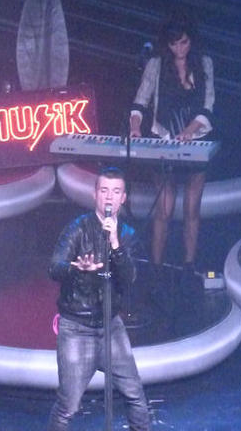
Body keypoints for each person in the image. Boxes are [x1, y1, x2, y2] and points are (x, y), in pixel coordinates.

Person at [47, 166, 150, 431]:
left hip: (110, 326)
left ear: (123, 198)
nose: (109, 197)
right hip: (76, 328)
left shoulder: (127, 235)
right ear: (95, 194)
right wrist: (76, 269)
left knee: (135, 395)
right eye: (104, 190)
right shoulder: (77, 229)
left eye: (115, 192)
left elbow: (129, 278)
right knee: (68, 405)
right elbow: (55, 267)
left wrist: (115, 243)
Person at [129, 12, 215, 281]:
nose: (179, 49)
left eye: (184, 42)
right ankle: (156, 268)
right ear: (167, 44)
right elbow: (140, 101)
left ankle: (188, 266)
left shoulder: (204, 63)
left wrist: (189, 131)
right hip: (163, 139)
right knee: (163, 210)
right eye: (174, 44)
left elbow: (208, 105)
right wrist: (135, 126)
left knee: (192, 209)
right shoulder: (156, 65)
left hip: (196, 141)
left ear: (192, 40)